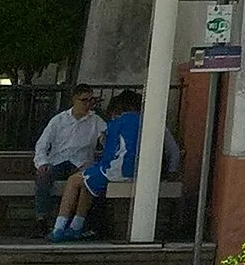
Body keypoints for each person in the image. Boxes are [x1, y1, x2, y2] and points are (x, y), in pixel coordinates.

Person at [48, 90, 180, 240]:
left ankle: (59, 228)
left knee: (73, 181)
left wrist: (104, 144)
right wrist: (172, 171)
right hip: (149, 173)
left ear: (118, 109)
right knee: (86, 182)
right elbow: (173, 150)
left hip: (120, 170)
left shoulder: (116, 123)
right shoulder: (155, 122)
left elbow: (110, 154)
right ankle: (75, 226)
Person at [31, 85, 105, 224]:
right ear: (74, 100)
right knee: (43, 176)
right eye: (84, 100)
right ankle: (41, 218)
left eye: (91, 100)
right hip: (58, 162)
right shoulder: (59, 120)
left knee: (91, 179)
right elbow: (42, 144)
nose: (88, 104)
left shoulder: (96, 121)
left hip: (80, 164)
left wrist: (104, 140)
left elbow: (106, 138)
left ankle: (87, 223)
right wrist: (42, 163)